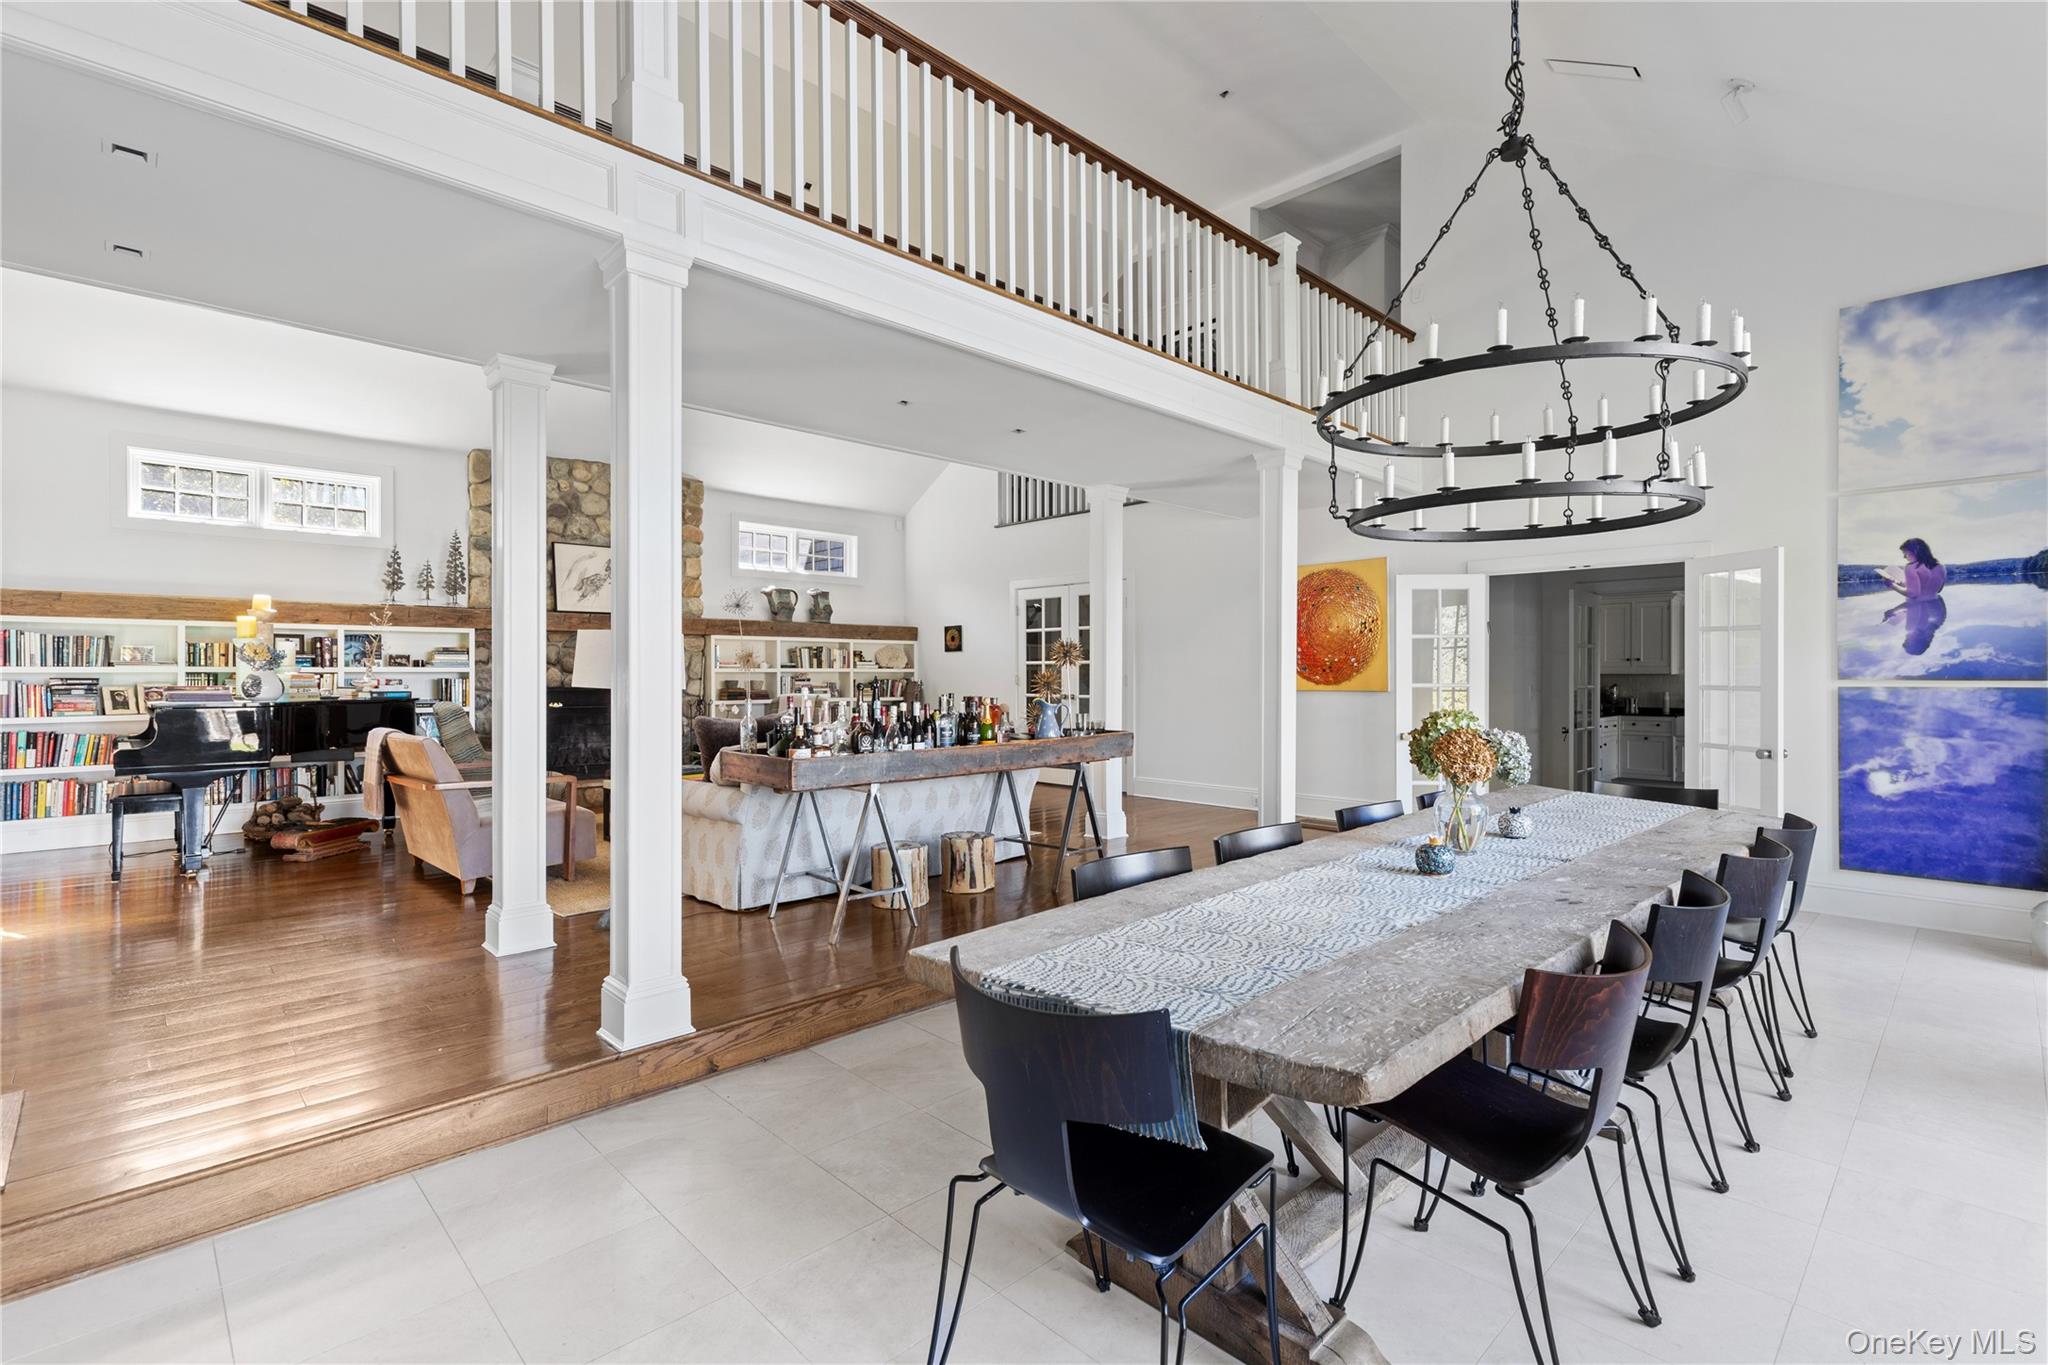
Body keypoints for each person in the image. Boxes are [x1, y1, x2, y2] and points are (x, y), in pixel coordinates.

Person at [1878, 538, 1947, 599]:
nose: (1904, 557)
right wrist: (1901, 583)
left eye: (1905, 553)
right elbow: (1938, 590)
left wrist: (1892, 585)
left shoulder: (1911, 568)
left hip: (1917, 607)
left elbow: (1913, 594)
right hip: (1936, 605)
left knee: (1889, 613)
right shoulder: (1941, 567)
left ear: (1915, 552)